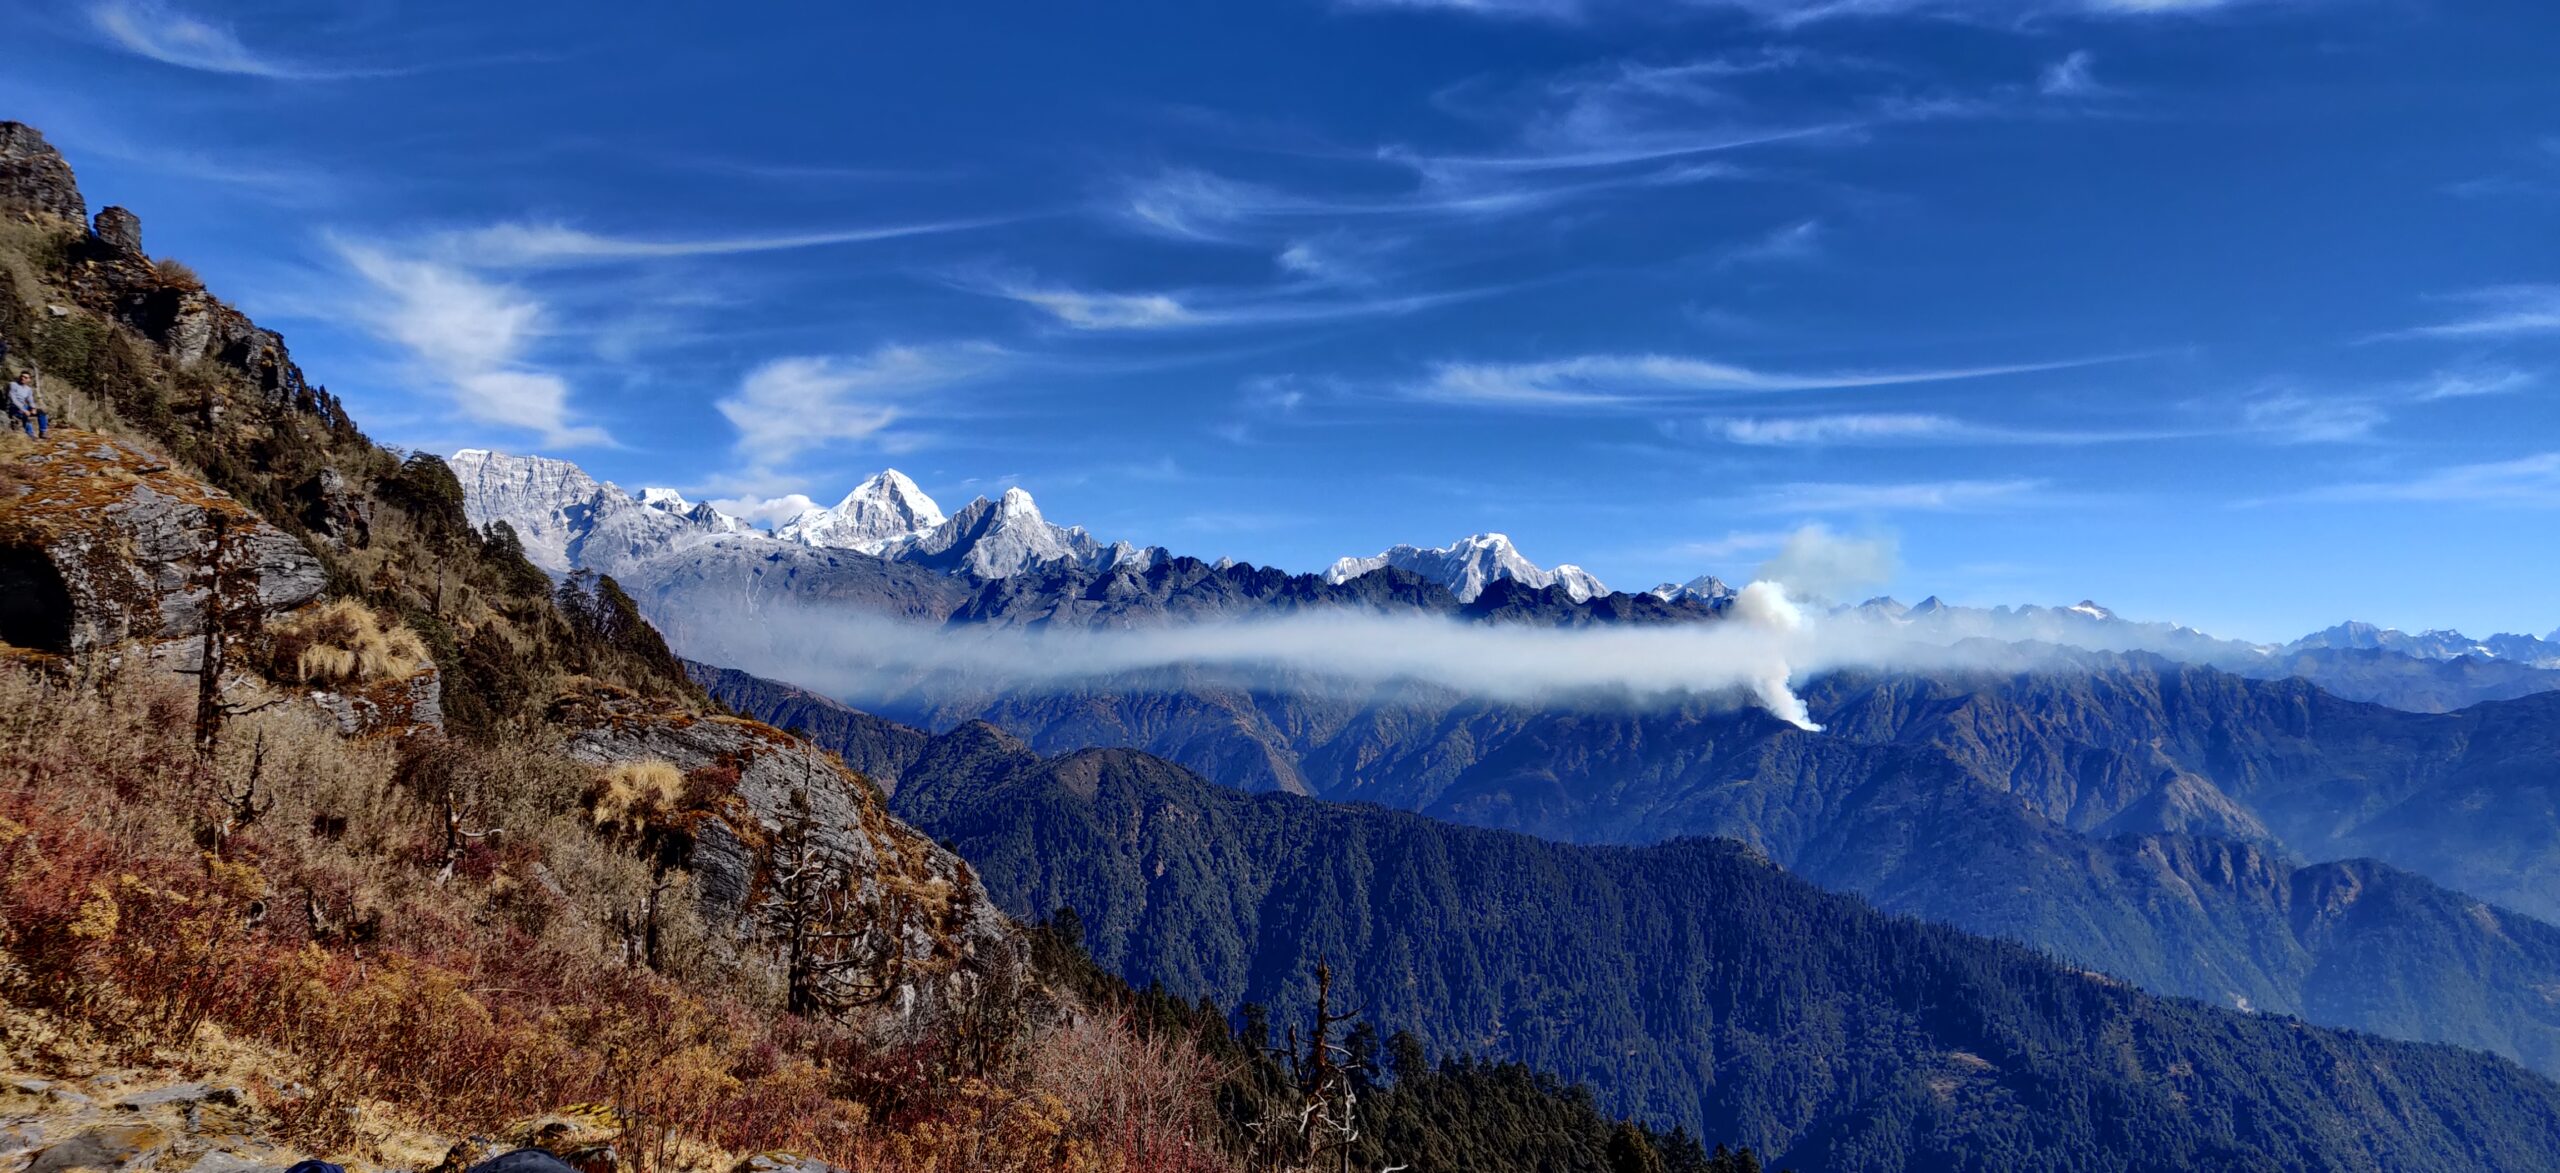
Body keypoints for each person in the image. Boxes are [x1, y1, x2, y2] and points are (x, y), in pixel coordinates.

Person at [7, 370, 47, 439]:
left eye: (25, 377)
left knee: (41, 412)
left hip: (24, 407)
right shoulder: (13, 385)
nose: (23, 378)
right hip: (13, 407)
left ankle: (42, 432)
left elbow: (30, 400)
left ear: (29, 379)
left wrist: (33, 408)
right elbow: (13, 399)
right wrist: (24, 410)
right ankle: (31, 434)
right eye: (22, 376)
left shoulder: (28, 389)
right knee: (25, 415)